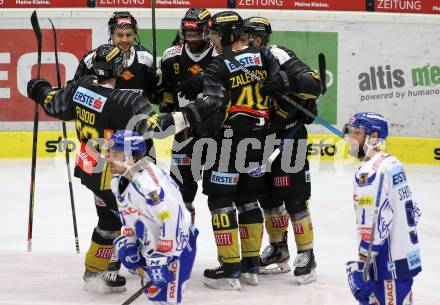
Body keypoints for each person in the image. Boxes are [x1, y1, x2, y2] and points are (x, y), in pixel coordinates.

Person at [26, 44, 223, 292]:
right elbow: (154, 127)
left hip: (90, 169)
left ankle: (96, 273)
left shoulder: (80, 86)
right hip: (117, 173)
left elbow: (54, 104)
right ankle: (151, 275)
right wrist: (192, 114)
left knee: (108, 220)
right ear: (119, 68)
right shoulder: (126, 99)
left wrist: (39, 88)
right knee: (142, 222)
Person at [200, 11, 281, 290]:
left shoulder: (217, 66)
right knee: (249, 201)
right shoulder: (265, 56)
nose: (209, 38)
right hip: (262, 140)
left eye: (212, 33)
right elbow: (282, 87)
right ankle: (251, 268)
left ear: (226, 35)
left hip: (229, 143)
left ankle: (230, 269)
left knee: (220, 201)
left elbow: (211, 112)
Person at [242, 17, 322, 284]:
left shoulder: (278, 54)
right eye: (247, 36)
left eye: (257, 36)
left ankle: (306, 253)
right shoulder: (237, 62)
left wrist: (288, 81)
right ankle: (278, 249)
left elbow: (313, 83)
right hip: (260, 139)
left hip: (288, 134)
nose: (253, 41)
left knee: (295, 197)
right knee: (269, 198)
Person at [107, 130, 197, 304]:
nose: (109, 159)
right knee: (154, 297)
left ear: (133, 158)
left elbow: (171, 217)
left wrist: (164, 255)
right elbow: (127, 213)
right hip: (153, 241)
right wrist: (130, 241)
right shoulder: (118, 181)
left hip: (179, 245)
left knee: (166, 300)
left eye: (116, 154)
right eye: (109, 153)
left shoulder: (149, 185)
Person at [343, 112, 422, 305]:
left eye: (357, 133)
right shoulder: (392, 163)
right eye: (351, 132)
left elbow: (375, 221)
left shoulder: (369, 172)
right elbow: (415, 210)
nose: (351, 138)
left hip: (386, 265)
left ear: (374, 137)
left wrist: (363, 262)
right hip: (405, 257)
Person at [158, 8, 217, 223]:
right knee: (182, 192)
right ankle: (183, 238)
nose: (192, 38)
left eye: (197, 32)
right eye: (188, 32)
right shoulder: (170, 56)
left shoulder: (219, 54)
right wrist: (162, 96)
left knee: (221, 196)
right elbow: (163, 93)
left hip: (217, 133)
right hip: (184, 133)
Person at [74, 11, 157, 103]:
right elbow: (75, 93)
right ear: (112, 35)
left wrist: (157, 84)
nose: (124, 40)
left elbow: (155, 97)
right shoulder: (94, 59)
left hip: (138, 116)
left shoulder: (146, 58)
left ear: (135, 35)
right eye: (120, 35)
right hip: (104, 116)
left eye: (129, 35)